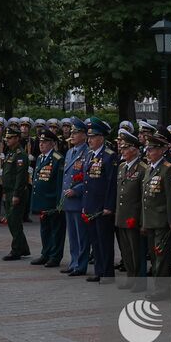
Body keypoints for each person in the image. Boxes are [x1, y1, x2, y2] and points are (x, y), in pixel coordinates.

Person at [141, 131, 171, 299]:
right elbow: (145, 197)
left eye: (152, 150)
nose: (148, 153)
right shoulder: (149, 169)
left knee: (161, 256)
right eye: (147, 149)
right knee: (154, 256)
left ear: (162, 150)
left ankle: (162, 289)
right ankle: (158, 287)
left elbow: (170, 197)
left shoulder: (167, 169)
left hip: (162, 220)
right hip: (150, 219)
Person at [81, 119, 118, 283]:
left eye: (93, 137)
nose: (89, 140)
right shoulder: (89, 155)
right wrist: (85, 205)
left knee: (104, 241)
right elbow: (86, 182)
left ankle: (108, 273)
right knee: (94, 241)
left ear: (101, 138)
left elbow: (111, 183)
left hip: (103, 207)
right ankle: (99, 270)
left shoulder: (109, 157)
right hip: (91, 205)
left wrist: (109, 206)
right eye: (89, 137)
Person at [114, 130, 148, 290]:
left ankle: (140, 280)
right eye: (121, 148)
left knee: (137, 251)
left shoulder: (143, 168)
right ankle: (130, 276)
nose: (122, 151)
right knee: (126, 250)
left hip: (134, 216)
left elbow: (143, 197)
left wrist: (142, 220)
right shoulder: (122, 167)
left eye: (125, 148)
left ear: (134, 149)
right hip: (122, 215)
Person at [30, 130, 66, 268]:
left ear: (52, 143)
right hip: (42, 201)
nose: (41, 144)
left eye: (44, 142)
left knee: (56, 230)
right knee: (45, 230)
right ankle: (45, 253)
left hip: (53, 201)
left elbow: (59, 183)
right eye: (40, 142)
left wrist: (59, 204)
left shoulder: (58, 159)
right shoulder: (40, 158)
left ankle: (55, 256)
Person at [61, 122, 91, 277]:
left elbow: (87, 178)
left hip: (78, 199)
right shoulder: (70, 152)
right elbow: (66, 177)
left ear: (85, 135)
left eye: (76, 132)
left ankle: (81, 264)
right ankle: (73, 262)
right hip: (68, 200)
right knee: (72, 236)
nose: (72, 135)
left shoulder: (87, 153)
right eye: (71, 132)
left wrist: (76, 190)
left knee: (82, 236)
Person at [0, 124, 32, 261]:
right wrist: (5, 192)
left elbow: (20, 177)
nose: (7, 140)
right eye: (6, 138)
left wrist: (16, 195)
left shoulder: (21, 155)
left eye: (10, 138)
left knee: (14, 222)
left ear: (17, 138)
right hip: (9, 192)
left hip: (16, 193)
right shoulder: (11, 153)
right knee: (13, 222)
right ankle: (23, 248)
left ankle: (16, 250)